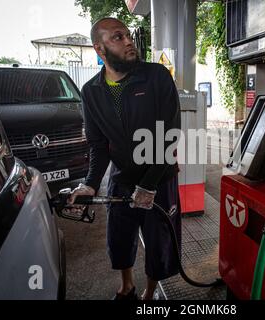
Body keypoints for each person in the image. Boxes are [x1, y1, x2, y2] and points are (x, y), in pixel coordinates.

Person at [67, 17, 182, 300]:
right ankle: (126, 285)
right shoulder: (91, 92)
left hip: (159, 177)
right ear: (100, 49)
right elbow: (97, 145)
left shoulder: (156, 76)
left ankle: (150, 292)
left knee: (159, 242)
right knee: (119, 238)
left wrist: (150, 184)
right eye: (117, 37)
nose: (129, 41)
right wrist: (91, 184)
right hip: (122, 179)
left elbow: (170, 132)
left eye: (128, 35)